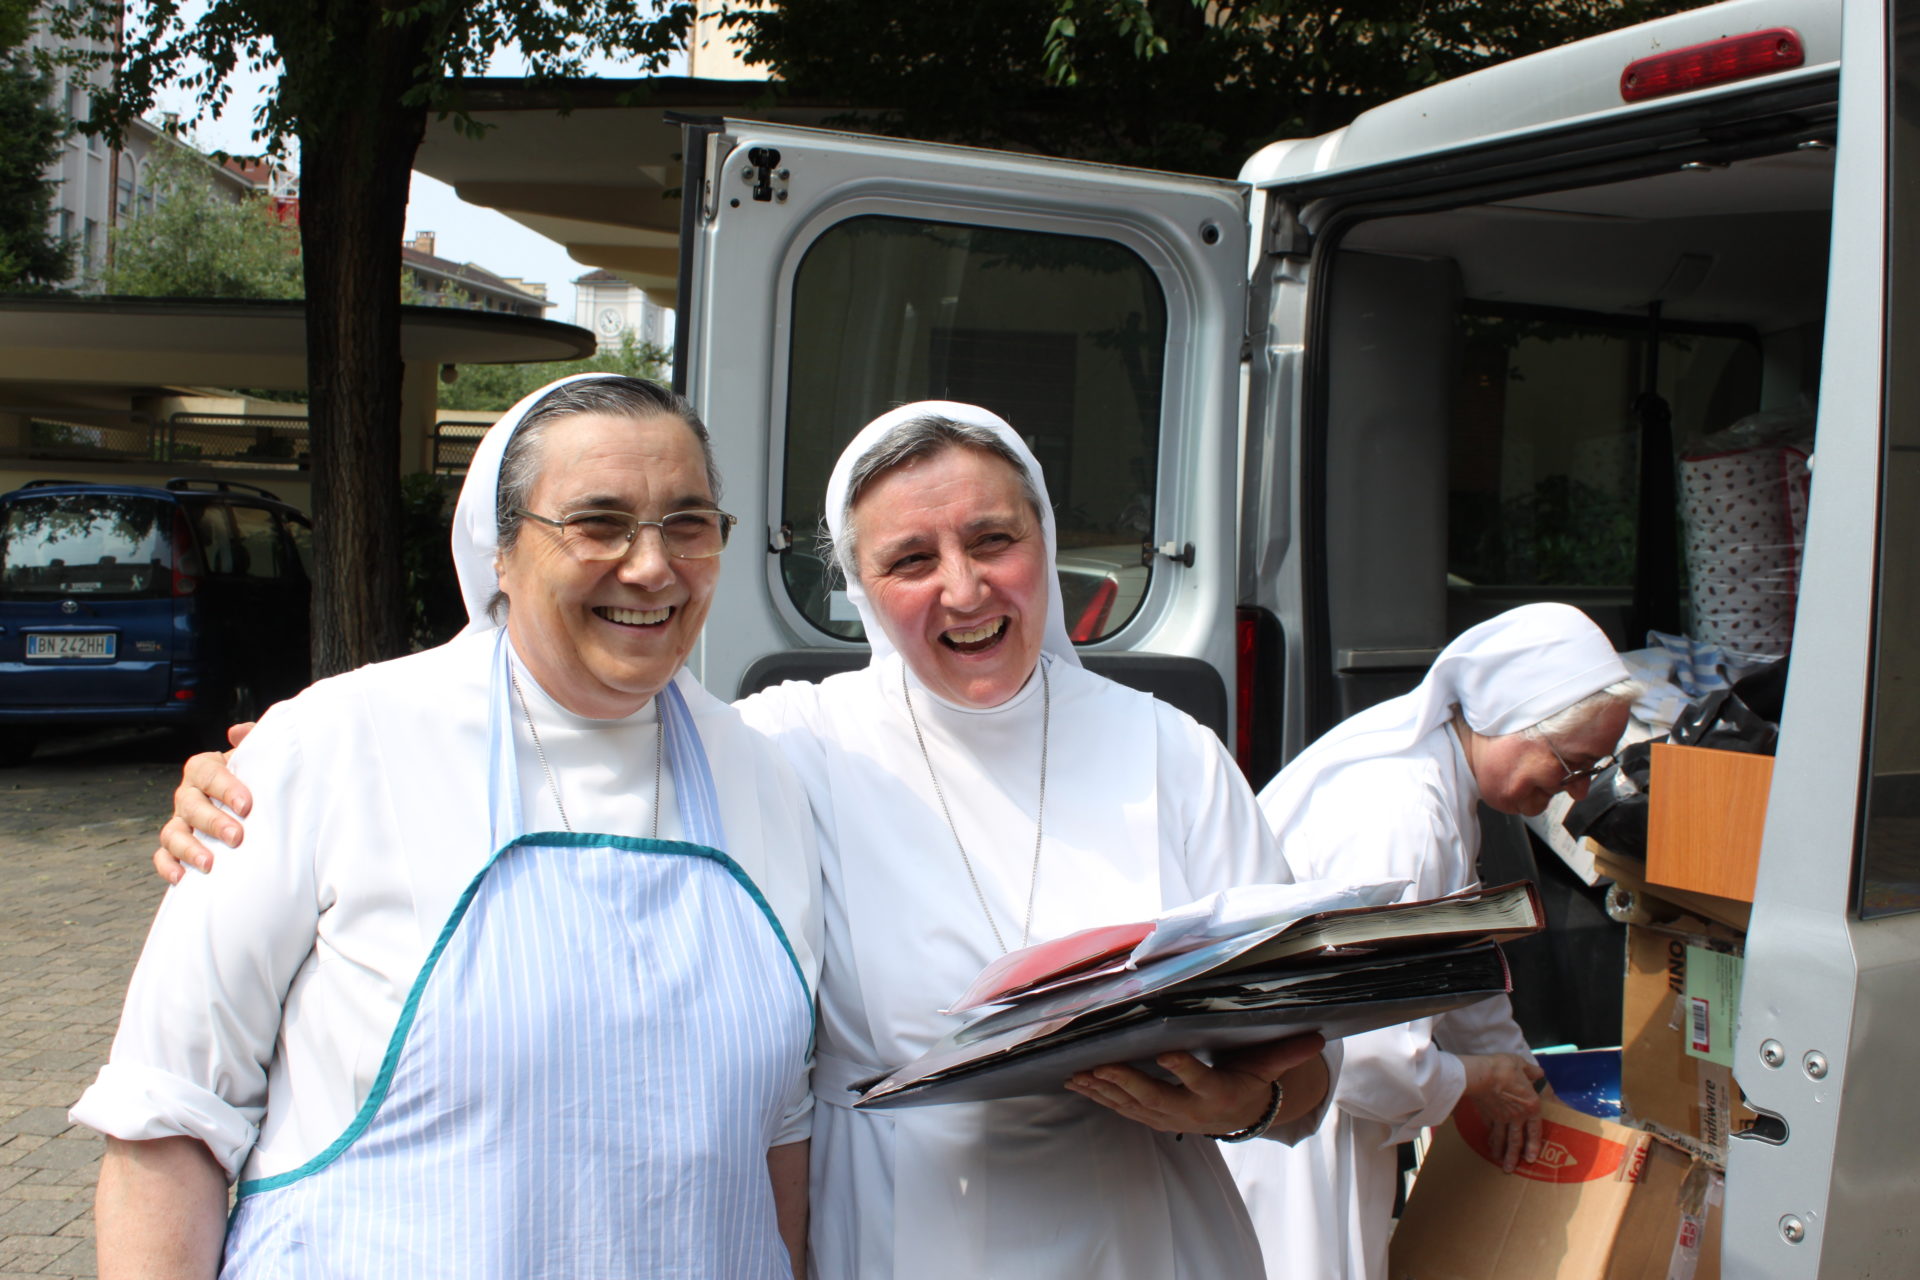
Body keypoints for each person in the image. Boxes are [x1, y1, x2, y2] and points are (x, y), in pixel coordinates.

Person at [158, 401, 1338, 1279]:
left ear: (1047, 539)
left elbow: (1305, 1072)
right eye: (911, 560)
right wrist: (264, 770)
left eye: (995, 538)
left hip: (1146, 1238)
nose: (965, 588)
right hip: (891, 1244)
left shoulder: (1170, 755)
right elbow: (576, 744)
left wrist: (1231, 1109)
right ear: (861, 588)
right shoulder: (787, 744)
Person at [75, 375, 822, 1278]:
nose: (651, 565)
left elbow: (781, 1136)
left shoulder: (765, 774)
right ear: (499, 553)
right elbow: (172, 1118)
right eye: (598, 521)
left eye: (689, 523)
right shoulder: (333, 747)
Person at [1219, 602, 1635, 1280]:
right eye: (1572, 764)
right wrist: (1478, 1080)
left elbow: (1455, 958)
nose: (1576, 790)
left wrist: (1512, 1063)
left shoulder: (1437, 780)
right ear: (1511, 721)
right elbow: (1376, 1060)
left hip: (1314, 1112)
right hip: (1299, 1130)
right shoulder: (1400, 814)